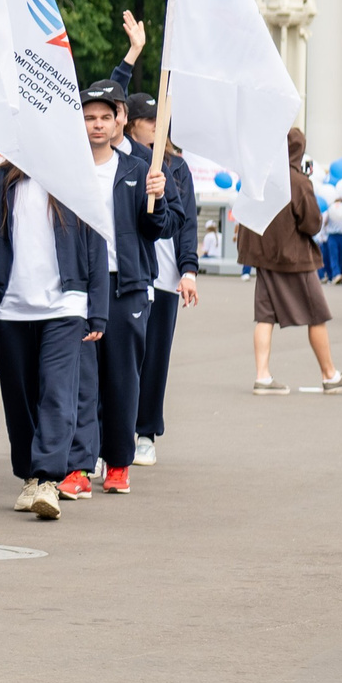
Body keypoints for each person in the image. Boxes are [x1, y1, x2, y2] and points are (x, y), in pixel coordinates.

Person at [0, 154, 109, 520]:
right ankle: (28, 474)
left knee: (58, 393)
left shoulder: (73, 177)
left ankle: (47, 479)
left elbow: (96, 242)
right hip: (8, 308)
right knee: (18, 398)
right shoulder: (2, 180)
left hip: (65, 307)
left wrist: (96, 308)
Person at [76, 78, 177, 496]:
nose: (97, 125)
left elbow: (161, 227)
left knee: (121, 377)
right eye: (88, 119)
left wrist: (159, 198)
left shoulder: (139, 170)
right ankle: (78, 464)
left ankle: (118, 462)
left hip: (127, 286)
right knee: (79, 379)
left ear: (120, 119)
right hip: (79, 285)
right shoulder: (70, 170)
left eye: (104, 117)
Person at [238, 127, 342, 395]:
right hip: (294, 258)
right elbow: (312, 223)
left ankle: (263, 375)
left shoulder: (258, 178)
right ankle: (330, 374)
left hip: (263, 257)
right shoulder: (297, 181)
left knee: (265, 317)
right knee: (316, 316)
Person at [121, 86, 197, 466]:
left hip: (165, 278)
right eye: (152, 120)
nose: (158, 126)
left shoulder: (177, 166)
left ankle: (146, 432)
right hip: (129, 272)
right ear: (131, 124)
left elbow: (188, 224)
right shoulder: (121, 162)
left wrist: (189, 270)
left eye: (161, 120)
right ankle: (111, 434)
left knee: (154, 359)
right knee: (118, 359)